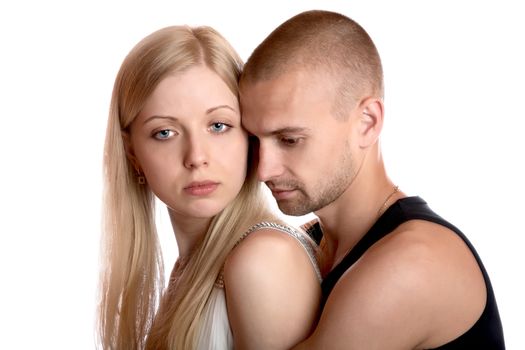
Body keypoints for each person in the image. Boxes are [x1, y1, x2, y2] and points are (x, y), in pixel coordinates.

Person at [239, 9, 505, 349]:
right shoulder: (311, 243)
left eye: (290, 140)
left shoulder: (413, 263)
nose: (263, 170)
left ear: (367, 122)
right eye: (253, 140)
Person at [97, 25, 321, 350]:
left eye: (218, 126)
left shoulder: (263, 259)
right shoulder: (192, 269)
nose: (196, 157)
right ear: (132, 153)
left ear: (249, 132)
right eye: (165, 132)